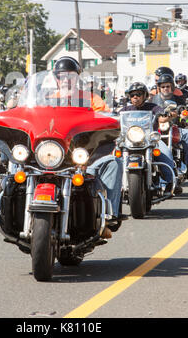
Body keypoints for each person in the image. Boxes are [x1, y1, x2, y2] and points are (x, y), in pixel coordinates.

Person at [52, 57, 124, 239]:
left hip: (85, 156)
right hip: (52, 158)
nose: (66, 80)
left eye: (71, 76)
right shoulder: (46, 101)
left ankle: (108, 216)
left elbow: (107, 117)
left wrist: (109, 118)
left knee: (114, 163)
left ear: (77, 78)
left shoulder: (91, 99)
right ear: (56, 79)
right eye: (62, 76)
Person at [119, 81, 176, 190]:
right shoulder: (125, 110)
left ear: (145, 95)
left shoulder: (153, 107)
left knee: (166, 152)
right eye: (132, 95)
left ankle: (170, 182)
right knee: (113, 156)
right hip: (129, 141)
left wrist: (169, 114)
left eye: (138, 94)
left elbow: (162, 117)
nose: (135, 97)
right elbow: (115, 119)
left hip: (150, 139)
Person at [150, 74, 188, 179]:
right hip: (156, 131)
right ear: (159, 88)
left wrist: (183, 110)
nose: (165, 88)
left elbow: (185, 108)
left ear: (172, 87)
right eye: (163, 86)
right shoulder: (152, 100)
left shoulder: (178, 99)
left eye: (167, 86)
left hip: (174, 127)